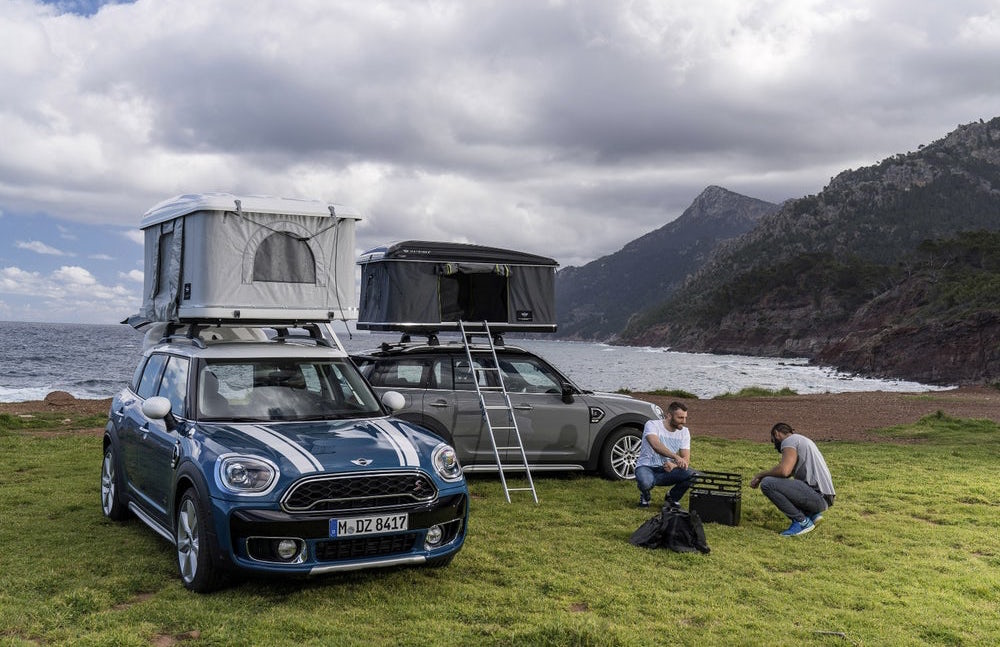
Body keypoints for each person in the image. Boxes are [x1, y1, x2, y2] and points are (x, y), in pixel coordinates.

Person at [749, 422, 836, 536]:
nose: (775, 445)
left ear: (776, 434)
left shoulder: (789, 441)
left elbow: (784, 471)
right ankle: (812, 514)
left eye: (773, 440)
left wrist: (760, 476)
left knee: (767, 483)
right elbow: (787, 475)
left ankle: (802, 522)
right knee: (781, 484)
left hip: (818, 497)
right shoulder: (801, 440)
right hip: (824, 497)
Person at [634, 401, 698, 508]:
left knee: (692, 476)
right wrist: (676, 457)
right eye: (680, 418)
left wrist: (674, 465)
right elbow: (656, 445)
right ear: (669, 415)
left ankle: (672, 498)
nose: (684, 421)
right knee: (646, 482)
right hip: (646, 466)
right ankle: (645, 494)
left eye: (685, 417)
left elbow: (685, 460)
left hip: (667, 469)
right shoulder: (652, 425)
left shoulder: (684, 432)